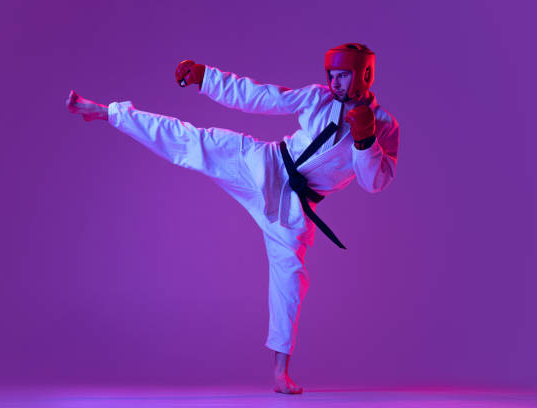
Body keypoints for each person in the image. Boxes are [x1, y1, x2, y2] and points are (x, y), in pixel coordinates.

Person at [66, 43, 399, 394]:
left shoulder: (385, 126)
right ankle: (107, 112)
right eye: (332, 74)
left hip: (294, 208)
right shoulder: (317, 98)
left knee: (289, 282)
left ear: (364, 74)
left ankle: (280, 375)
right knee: (194, 142)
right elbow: (260, 96)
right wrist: (206, 78)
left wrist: (365, 142)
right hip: (265, 164)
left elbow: (374, 182)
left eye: (344, 75)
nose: (335, 82)